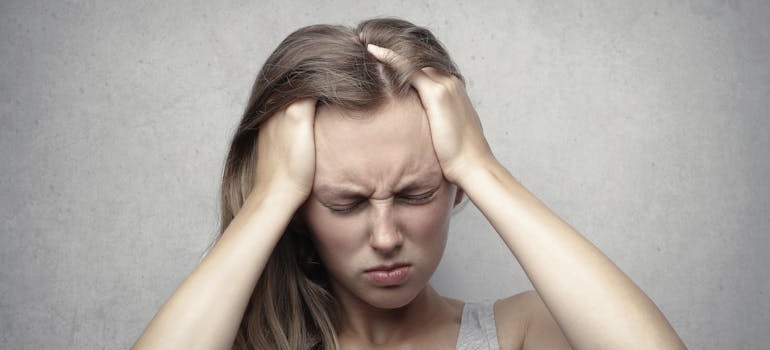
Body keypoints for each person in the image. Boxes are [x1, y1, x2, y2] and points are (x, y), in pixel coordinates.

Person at [131, 18, 686, 350]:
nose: (386, 235)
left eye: (414, 193)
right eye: (345, 203)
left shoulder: (521, 333)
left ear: (453, 187)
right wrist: (270, 197)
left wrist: (480, 165)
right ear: (300, 208)